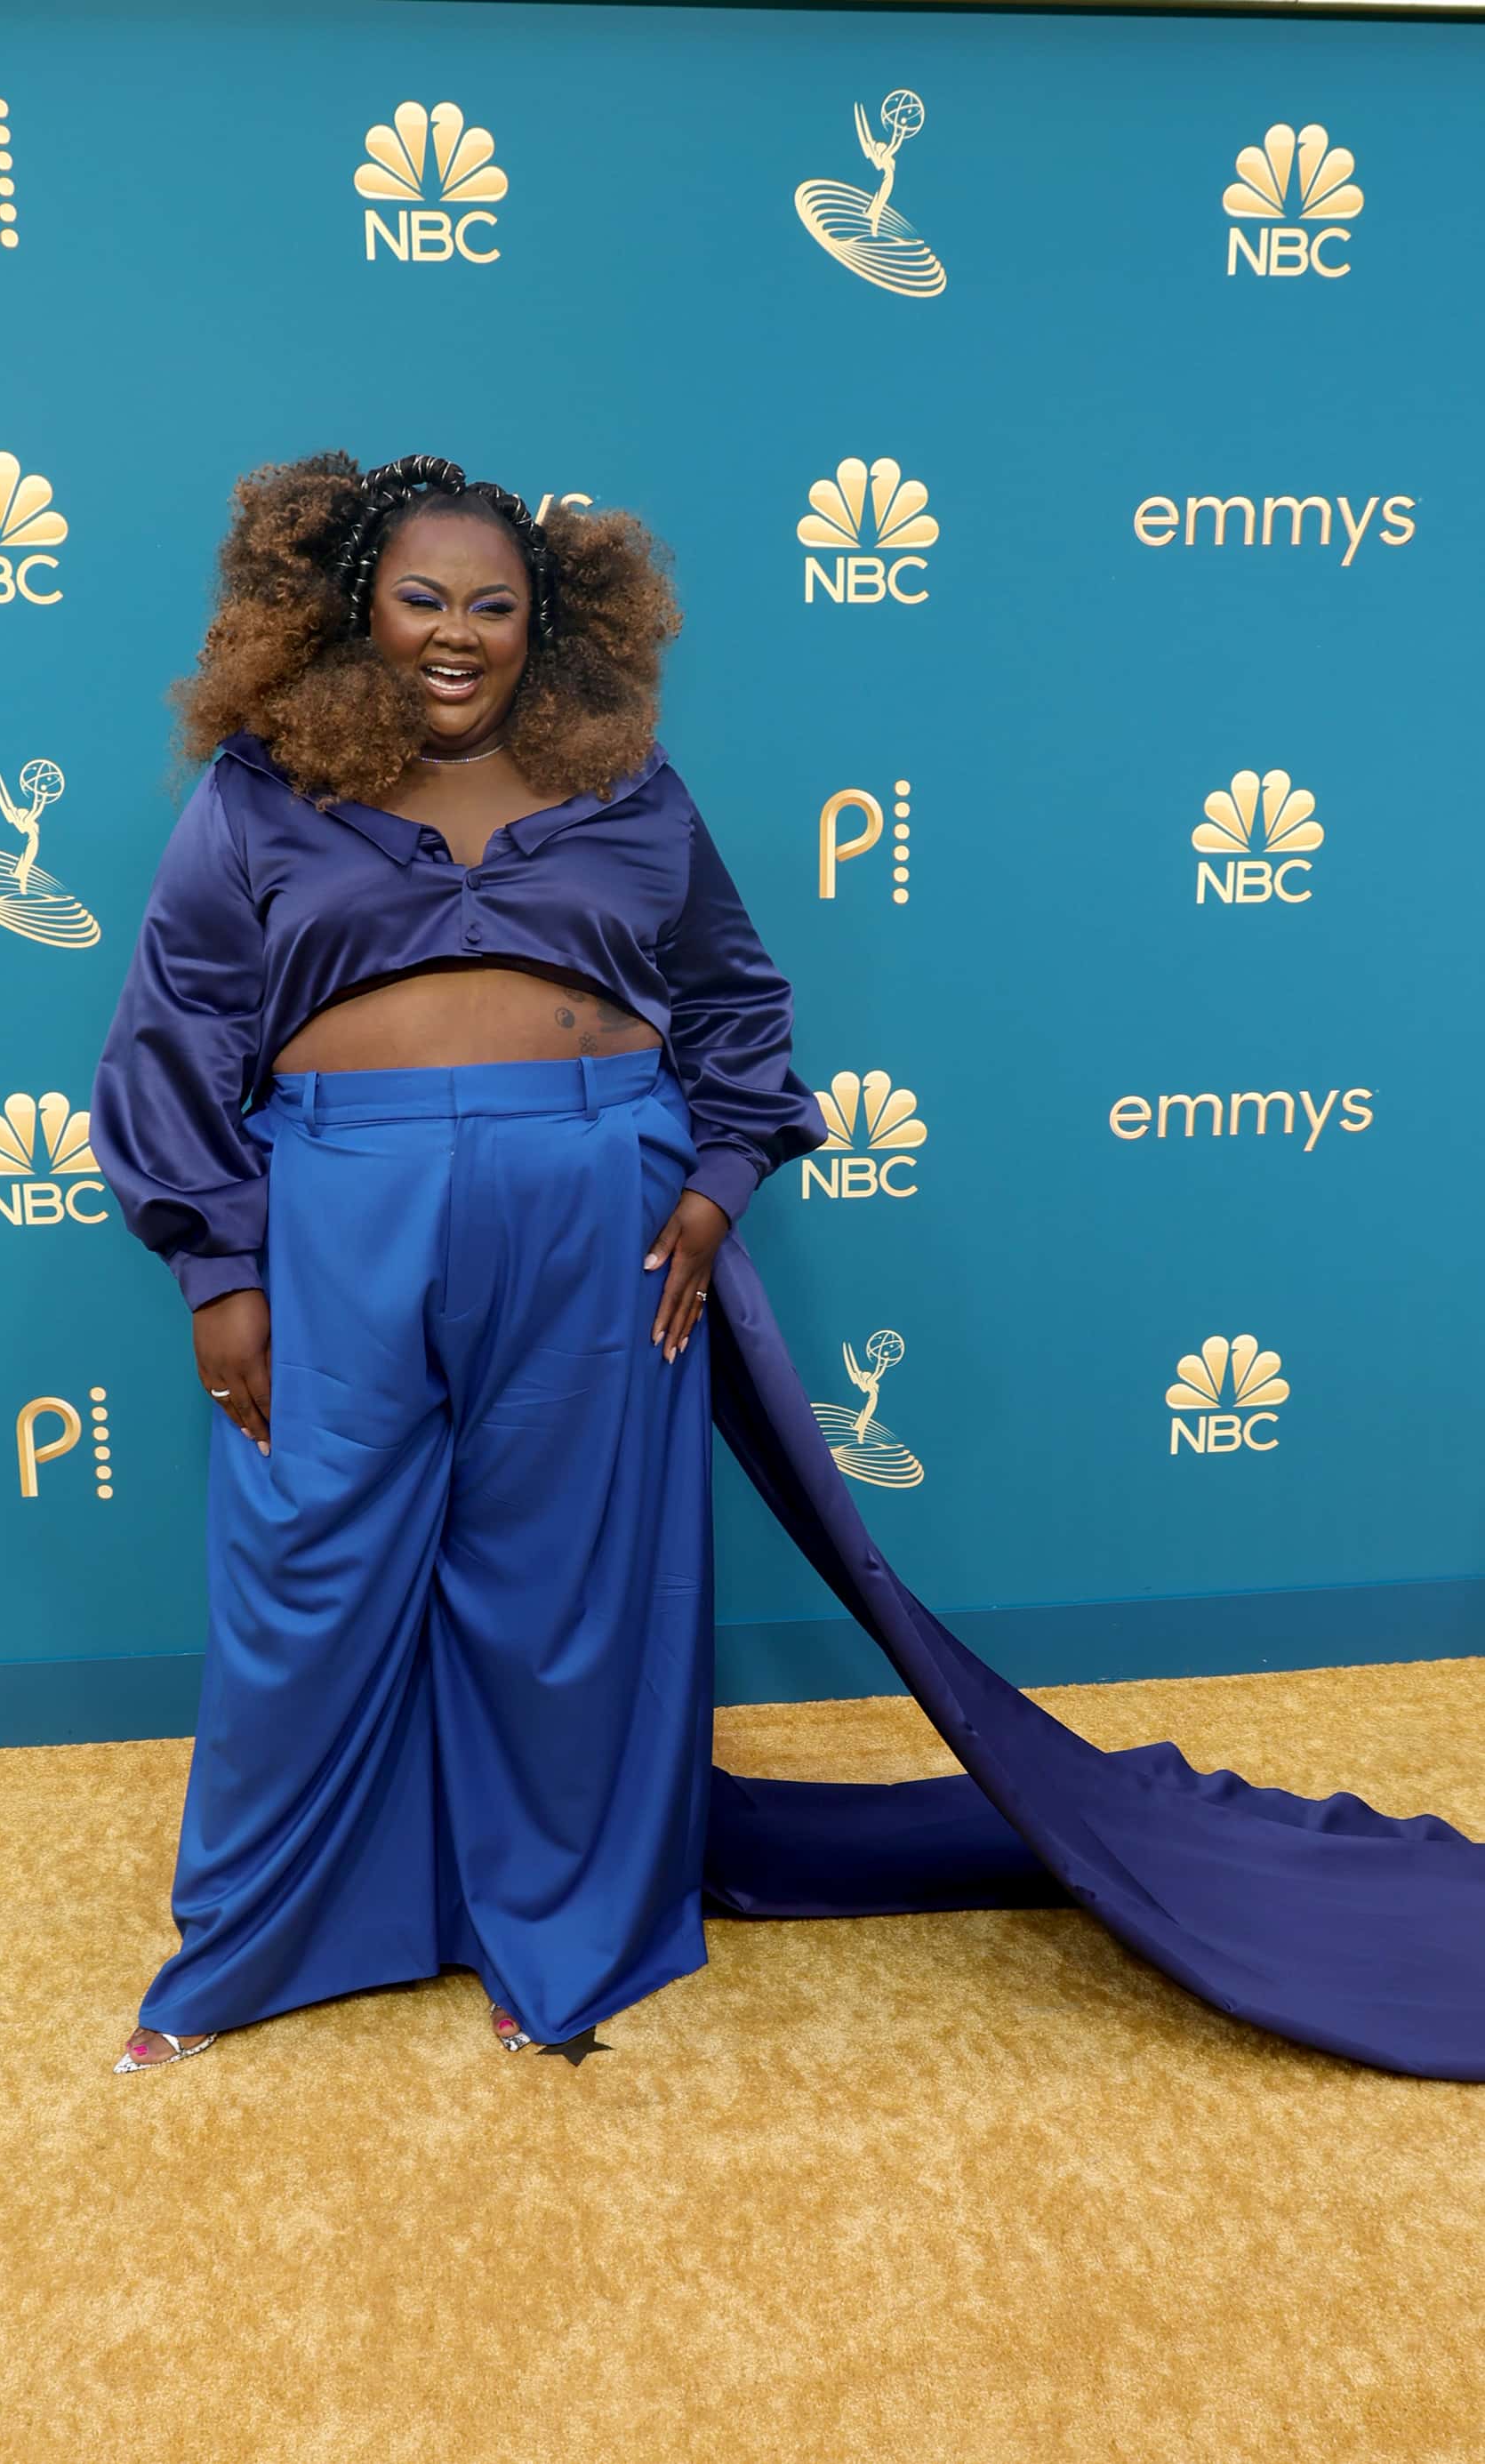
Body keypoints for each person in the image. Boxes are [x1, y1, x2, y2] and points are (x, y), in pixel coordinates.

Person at [93, 452, 1485, 2084]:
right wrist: (220, 1270)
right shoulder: (260, 794)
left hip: (601, 1217)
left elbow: (736, 1002)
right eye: (423, 600)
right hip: (343, 1218)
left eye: (496, 605)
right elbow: (179, 1030)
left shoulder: (628, 789)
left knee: (569, 1602)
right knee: (307, 1587)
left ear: (553, 625)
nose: (458, 636)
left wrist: (721, 1177)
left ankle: (565, 1941)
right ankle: (254, 1945)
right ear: (347, 609)